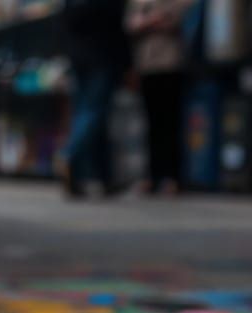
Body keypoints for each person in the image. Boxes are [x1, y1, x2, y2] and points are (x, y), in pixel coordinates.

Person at [125, 0, 195, 194]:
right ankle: (152, 175)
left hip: (171, 63)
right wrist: (153, 20)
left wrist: (148, 21)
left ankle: (172, 177)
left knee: (171, 122)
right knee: (151, 123)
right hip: (147, 65)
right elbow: (131, 24)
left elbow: (181, 16)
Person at [63, 0, 131, 197]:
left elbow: (64, 22)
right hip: (102, 56)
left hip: (78, 57)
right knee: (94, 113)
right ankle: (69, 154)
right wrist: (127, 63)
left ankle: (102, 177)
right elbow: (118, 24)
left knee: (88, 115)